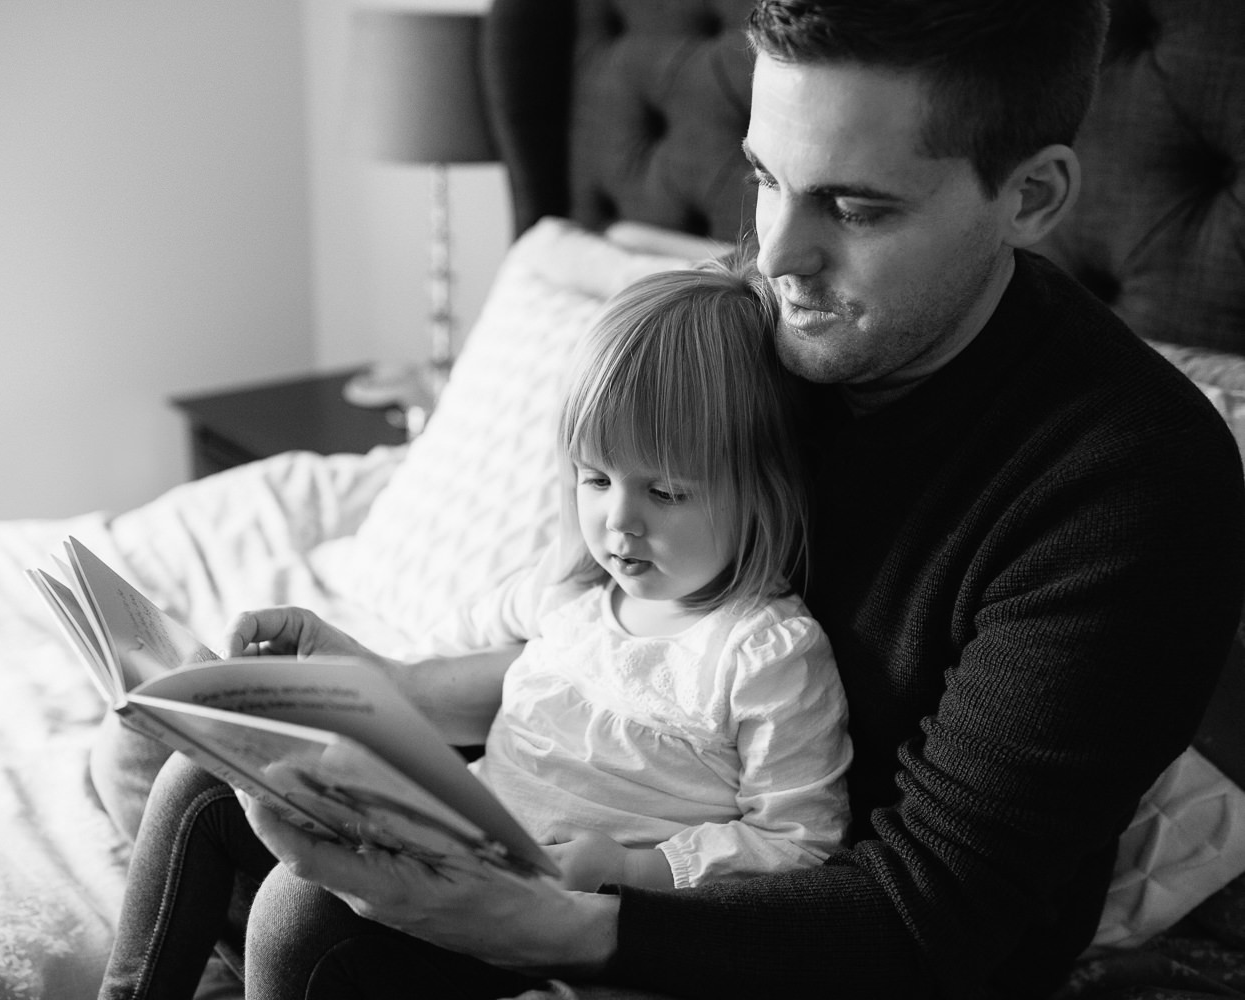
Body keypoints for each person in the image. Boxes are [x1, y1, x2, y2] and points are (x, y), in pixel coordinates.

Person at [231, 1, 1245, 998]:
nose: (774, 257)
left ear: (1030, 196)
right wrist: (397, 692)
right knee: (224, 782)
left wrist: (548, 926)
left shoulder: (1133, 486)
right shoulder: (756, 334)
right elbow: (616, 644)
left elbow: (923, 915)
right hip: (626, 806)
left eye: (856, 207)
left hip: (842, 933)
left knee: (307, 925)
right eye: (766, 179)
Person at [95, 254, 854, 999]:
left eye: (663, 491)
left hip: (541, 926)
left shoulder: (763, 653)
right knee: (200, 783)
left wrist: (633, 870)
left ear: (762, 488)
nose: (618, 523)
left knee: (299, 918)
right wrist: (326, 677)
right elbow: (440, 648)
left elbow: (799, 846)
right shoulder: (571, 593)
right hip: (444, 843)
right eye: (594, 479)